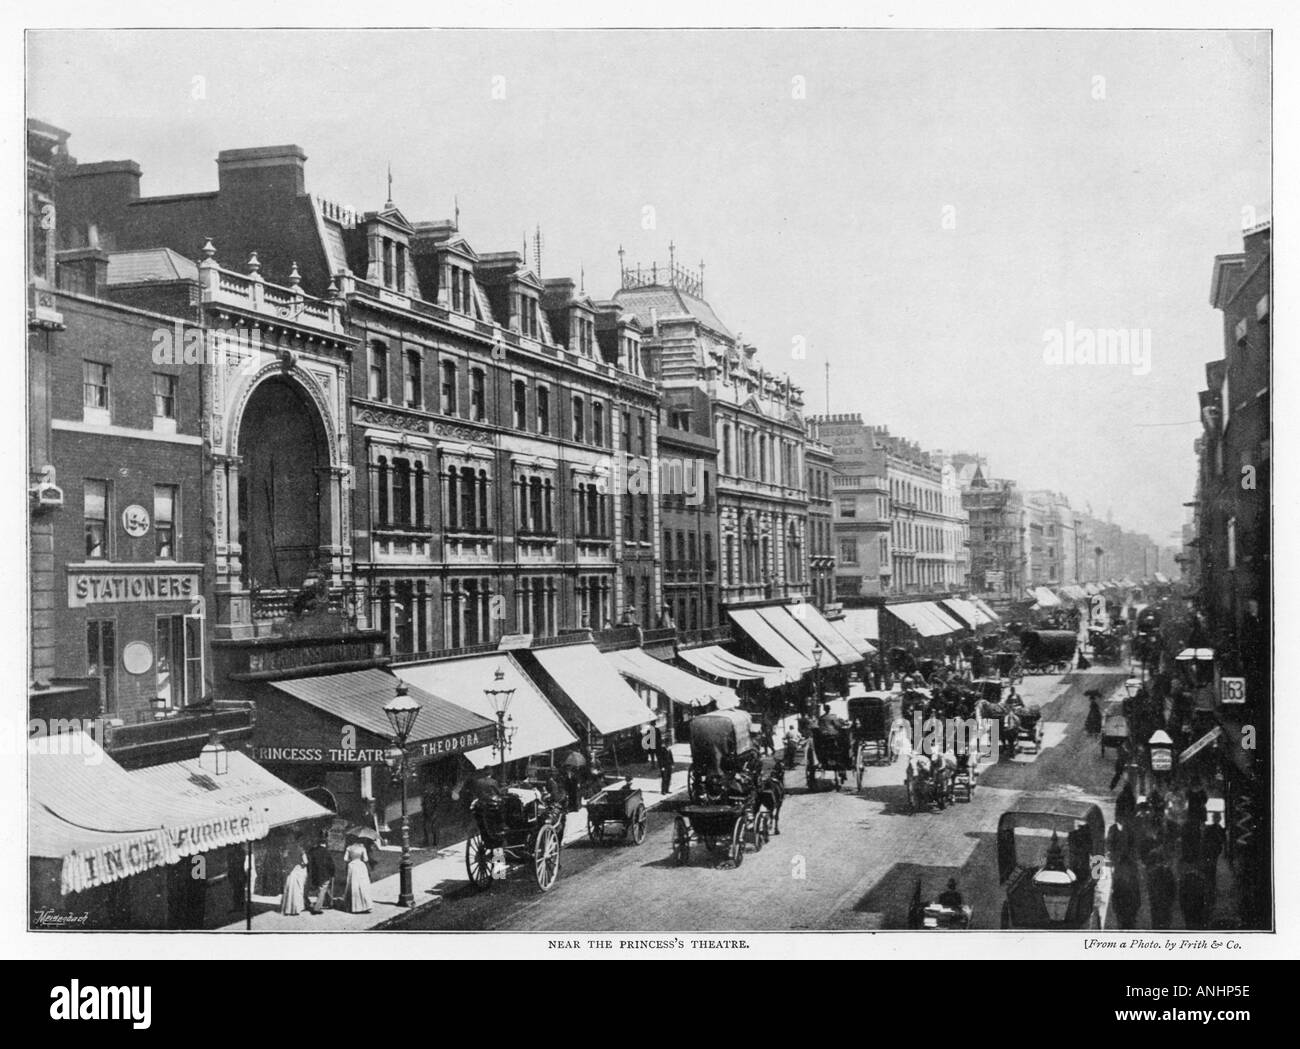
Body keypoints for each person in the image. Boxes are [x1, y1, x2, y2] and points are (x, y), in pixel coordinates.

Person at [1146, 847, 1177, 930]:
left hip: (1156, 904)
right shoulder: (1168, 871)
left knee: (1156, 923)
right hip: (1166, 904)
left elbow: (1150, 890)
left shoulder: (1152, 874)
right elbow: (1173, 889)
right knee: (1165, 925)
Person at [307, 831, 336, 915]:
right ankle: (317, 908)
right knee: (323, 890)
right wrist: (333, 873)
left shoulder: (313, 851)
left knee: (324, 889)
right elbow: (331, 864)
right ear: (325, 843)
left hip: (315, 874)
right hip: (325, 874)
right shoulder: (326, 852)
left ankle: (329, 902)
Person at [1202, 811, 1226, 907]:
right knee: (1210, 872)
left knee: (1211, 872)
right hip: (1211, 853)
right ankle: (1210, 892)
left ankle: (1211, 892)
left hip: (1213, 853)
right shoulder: (1216, 829)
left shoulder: (1215, 829)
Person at [342, 839, 373, 914]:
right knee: (363, 885)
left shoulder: (349, 848)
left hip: (352, 866)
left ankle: (352, 906)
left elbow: (345, 859)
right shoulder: (362, 848)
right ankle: (365, 905)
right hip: (360, 866)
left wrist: (351, 859)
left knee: (352, 884)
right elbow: (366, 859)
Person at [1111, 856, 1142, 930]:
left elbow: (1137, 895)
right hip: (1124, 910)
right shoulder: (1124, 881)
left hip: (1128, 910)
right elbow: (1115, 895)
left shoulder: (1130, 880)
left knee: (1128, 927)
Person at [279, 838, 308, 916]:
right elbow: (306, 862)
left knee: (288, 889)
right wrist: (300, 864)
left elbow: (283, 859)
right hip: (297, 871)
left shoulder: (287, 849)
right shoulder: (301, 850)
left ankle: (287, 909)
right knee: (297, 890)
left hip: (289, 872)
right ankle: (295, 909)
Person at [225, 843, 247, 914]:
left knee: (237, 891)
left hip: (237, 874)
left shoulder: (232, 854)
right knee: (238, 891)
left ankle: (238, 907)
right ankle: (239, 907)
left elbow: (231, 865)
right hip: (239, 874)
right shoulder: (241, 852)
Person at [420, 782, 440, 848]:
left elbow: (437, 805)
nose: (428, 789)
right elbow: (423, 804)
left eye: (429, 788)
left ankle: (435, 843)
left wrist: (435, 814)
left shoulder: (434, 795)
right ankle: (426, 842)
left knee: (434, 828)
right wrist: (423, 813)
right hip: (426, 813)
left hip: (433, 813)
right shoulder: (425, 795)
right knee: (426, 828)